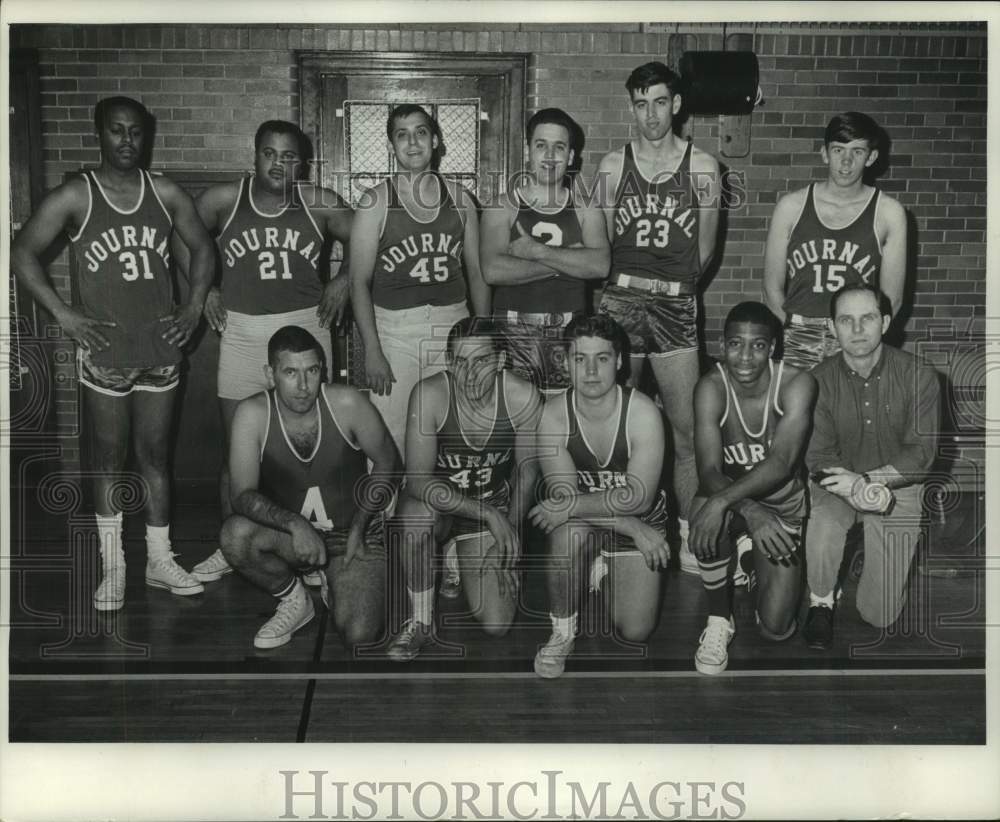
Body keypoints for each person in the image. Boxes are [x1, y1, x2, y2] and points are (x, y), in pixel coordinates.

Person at [11, 96, 215, 611]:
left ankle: (160, 560)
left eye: (135, 132)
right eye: (116, 131)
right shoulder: (77, 194)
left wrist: (193, 306)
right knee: (107, 460)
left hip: (159, 347)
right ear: (99, 135)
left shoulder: (164, 191)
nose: (127, 141)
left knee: (154, 459)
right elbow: (21, 251)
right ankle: (114, 568)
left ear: (145, 136)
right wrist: (63, 313)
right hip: (104, 351)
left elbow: (203, 247)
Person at [173, 120, 355, 584]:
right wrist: (204, 289)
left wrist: (344, 277)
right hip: (243, 332)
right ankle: (230, 542)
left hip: (304, 331)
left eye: (290, 155)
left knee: (308, 445)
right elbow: (181, 234)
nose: (279, 163)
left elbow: (367, 235)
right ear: (254, 156)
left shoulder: (320, 202)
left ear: (303, 163)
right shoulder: (224, 200)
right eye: (270, 153)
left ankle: (306, 542)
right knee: (237, 445)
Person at [595, 61, 721, 575]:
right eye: (642, 103)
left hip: (674, 302)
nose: (651, 114)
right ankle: (610, 535)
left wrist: (672, 287)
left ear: (677, 105)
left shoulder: (704, 167)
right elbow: (602, 244)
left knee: (686, 428)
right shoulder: (609, 166)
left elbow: (706, 252)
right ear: (632, 106)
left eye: (661, 102)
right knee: (611, 425)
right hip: (619, 299)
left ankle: (691, 536)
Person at [219, 326, 400, 650]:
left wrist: (361, 524)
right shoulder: (252, 414)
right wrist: (295, 524)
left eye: (311, 371)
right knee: (234, 536)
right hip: (293, 538)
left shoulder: (347, 403)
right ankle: (294, 598)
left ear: (322, 369)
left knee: (360, 634)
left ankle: (335, 579)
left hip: (351, 536)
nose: (303, 386)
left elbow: (388, 463)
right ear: (270, 373)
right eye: (290, 372)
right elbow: (241, 495)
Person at [386, 317, 542, 661]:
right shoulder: (429, 394)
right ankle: (421, 622)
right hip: (441, 506)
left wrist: (510, 530)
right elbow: (418, 481)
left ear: (501, 360)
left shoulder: (523, 397)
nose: (471, 374)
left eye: (482, 360)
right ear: (449, 362)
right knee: (416, 519)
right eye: (460, 362)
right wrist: (489, 515)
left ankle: (456, 554)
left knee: (497, 625)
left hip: (490, 507)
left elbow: (528, 472)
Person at [529, 315, 670, 679]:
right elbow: (564, 497)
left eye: (602, 358)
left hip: (638, 518)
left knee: (635, 631)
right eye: (580, 359)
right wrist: (630, 527)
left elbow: (638, 498)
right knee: (567, 534)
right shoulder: (554, 415)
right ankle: (562, 632)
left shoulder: (642, 412)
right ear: (565, 362)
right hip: (602, 523)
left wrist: (631, 522)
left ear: (620, 360)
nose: (591, 371)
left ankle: (602, 571)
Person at [803, 284, 939, 648]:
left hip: (897, 485)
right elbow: (817, 457)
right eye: (846, 320)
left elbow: (921, 454)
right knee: (822, 522)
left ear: (886, 322)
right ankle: (821, 600)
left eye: (868, 318)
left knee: (879, 615)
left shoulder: (919, 375)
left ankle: (871, 560)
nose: (858, 329)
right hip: (839, 485)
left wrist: (869, 482)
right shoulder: (816, 381)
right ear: (833, 327)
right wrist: (854, 488)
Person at [350, 104, 490, 457]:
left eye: (421, 132)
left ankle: (440, 511)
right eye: (402, 134)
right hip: (394, 330)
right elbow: (358, 282)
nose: (412, 142)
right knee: (391, 435)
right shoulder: (376, 202)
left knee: (449, 428)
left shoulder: (461, 200)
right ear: (391, 146)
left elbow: (477, 273)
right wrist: (372, 350)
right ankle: (386, 513)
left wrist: (482, 334)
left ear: (436, 141)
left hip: (452, 324)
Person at [688, 302, 817, 675]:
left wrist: (749, 508)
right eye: (734, 344)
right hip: (735, 504)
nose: (744, 357)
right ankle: (718, 619)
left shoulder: (796, 383)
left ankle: (749, 558)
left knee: (776, 630)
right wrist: (746, 509)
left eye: (757, 345)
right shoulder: (710, 387)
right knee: (703, 514)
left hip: (780, 506)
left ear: (773, 347)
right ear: (722, 344)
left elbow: (782, 463)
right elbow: (708, 469)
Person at [762, 111, 907, 370]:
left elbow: (892, 299)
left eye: (858, 152)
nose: (847, 161)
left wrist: (861, 339)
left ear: (872, 157)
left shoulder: (888, 212)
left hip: (854, 335)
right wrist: (792, 331)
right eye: (839, 150)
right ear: (824, 153)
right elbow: (771, 288)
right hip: (798, 335)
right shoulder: (791, 206)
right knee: (795, 409)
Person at [479, 107, 610, 391]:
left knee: (563, 422)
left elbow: (600, 266)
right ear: (528, 151)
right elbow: (492, 270)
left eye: (559, 147)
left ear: (571, 157)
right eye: (541, 146)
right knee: (519, 420)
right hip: (514, 333)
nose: (550, 156)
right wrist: (570, 261)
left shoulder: (587, 208)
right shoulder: (502, 206)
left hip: (569, 333)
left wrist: (536, 251)